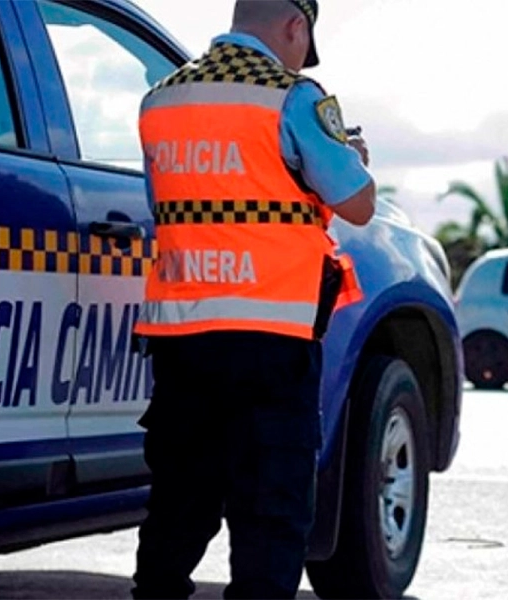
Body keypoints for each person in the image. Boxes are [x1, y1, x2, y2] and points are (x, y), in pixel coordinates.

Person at [130, 1, 376, 598]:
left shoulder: (159, 99)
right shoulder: (291, 96)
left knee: (178, 504)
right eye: (303, 42)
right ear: (296, 26)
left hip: (181, 339)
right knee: (271, 513)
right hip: (271, 341)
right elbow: (358, 205)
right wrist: (353, 157)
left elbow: (163, 199)